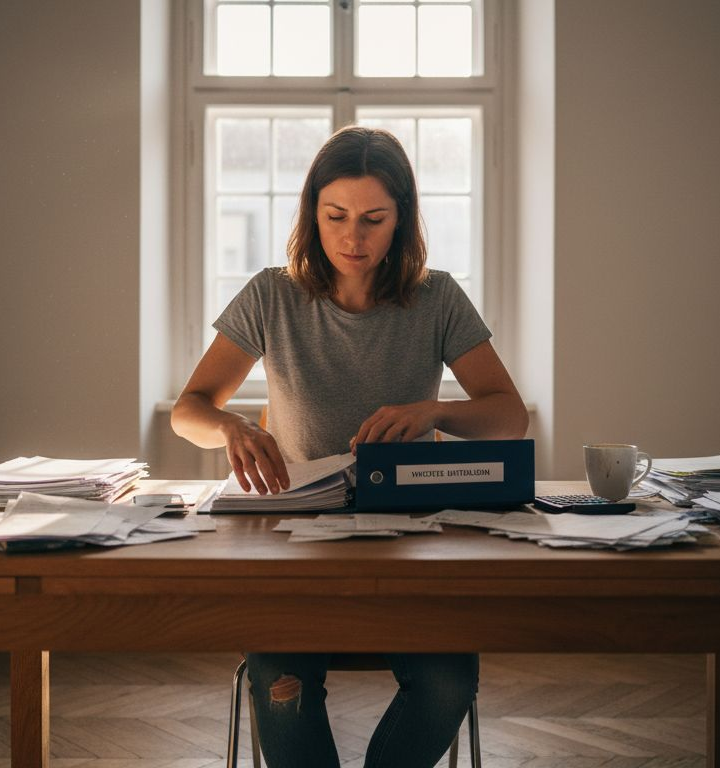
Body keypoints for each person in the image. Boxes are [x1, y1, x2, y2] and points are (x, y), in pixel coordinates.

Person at [171, 125, 528, 768]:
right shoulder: (272, 294)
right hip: (294, 537)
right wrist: (233, 428)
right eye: (335, 216)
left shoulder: (436, 296)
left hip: (410, 536)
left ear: (402, 221)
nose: (353, 237)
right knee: (283, 682)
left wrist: (435, 411)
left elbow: (509, 418)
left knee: (448, 680)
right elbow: (189, 409)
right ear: (313, 214)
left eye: (373, 219)